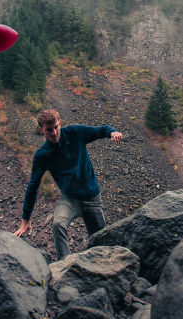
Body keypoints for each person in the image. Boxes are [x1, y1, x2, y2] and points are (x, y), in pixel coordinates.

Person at [14, 109, 123, 261]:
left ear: (60, 124)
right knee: (58, 224)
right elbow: (33, 187)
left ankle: (99, 267)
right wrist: (25, 219)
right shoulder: (42, 155)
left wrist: (113, 132)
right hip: (69, 200)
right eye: (49, 130)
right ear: (41, 130)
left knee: (100, 241)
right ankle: (64, 266)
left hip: (92, 198)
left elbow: (102, 130)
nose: (54, 132)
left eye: (56, 127)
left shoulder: (75, 133)